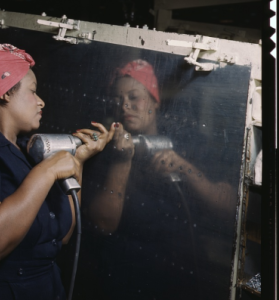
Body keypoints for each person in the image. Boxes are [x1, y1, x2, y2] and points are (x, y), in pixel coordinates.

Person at [0, 44, 116, 300]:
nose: (41, 100)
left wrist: (78, 163)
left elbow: (63, 234)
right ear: (6, 94)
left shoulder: (26, 152)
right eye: (33, 91)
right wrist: (47, 171)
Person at [86, 59, 237, 299]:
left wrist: (185, 169)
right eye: (117, 99)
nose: (125, 105)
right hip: (124, 279)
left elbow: (229, 209)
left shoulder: (188, 141)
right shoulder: (105, 152)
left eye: (134, 97)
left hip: (180, 280)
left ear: (155, 101)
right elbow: (103, 223)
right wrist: (121, 161)